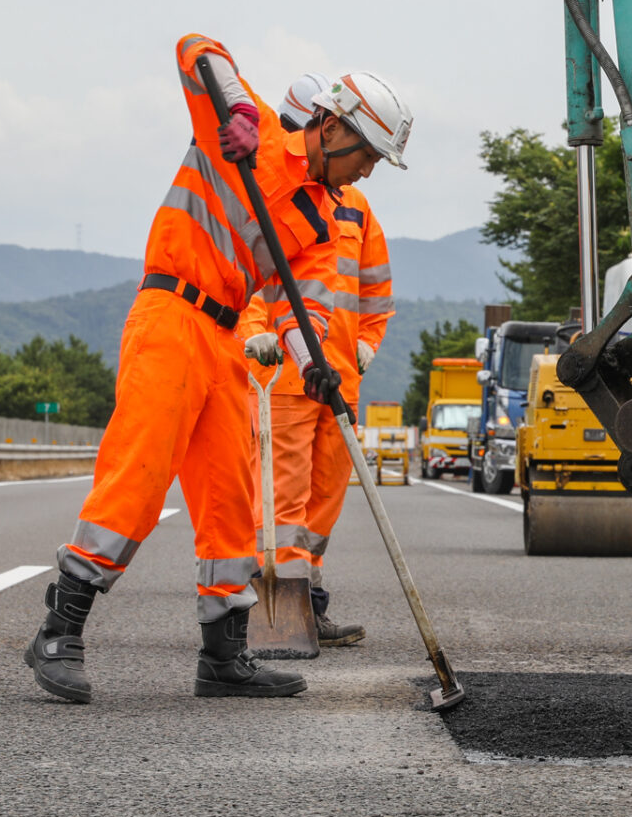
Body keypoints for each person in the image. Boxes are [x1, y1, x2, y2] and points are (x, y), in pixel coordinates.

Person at [25, 34, 408, 703]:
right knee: (139, 478)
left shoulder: (321, 220)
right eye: (369, 155)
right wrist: (230, 109)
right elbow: (196, 46)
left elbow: (304, 309)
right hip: (170, 316)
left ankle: (224, 656)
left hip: (227, 337)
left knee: (233, 496)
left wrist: (315, 363)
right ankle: (61, 628)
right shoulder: (248, 130)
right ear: (332, 125)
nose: (368, 172)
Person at [239, 72, 398, 646]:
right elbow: (260, 284)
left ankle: (311, 603)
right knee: (284, 498)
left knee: (324, 503)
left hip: (338, 377)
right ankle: (277, 613)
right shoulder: (272, 193)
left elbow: (377, 296)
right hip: (283, 374)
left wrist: (363, 346)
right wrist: (256, 334)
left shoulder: (355, 209)